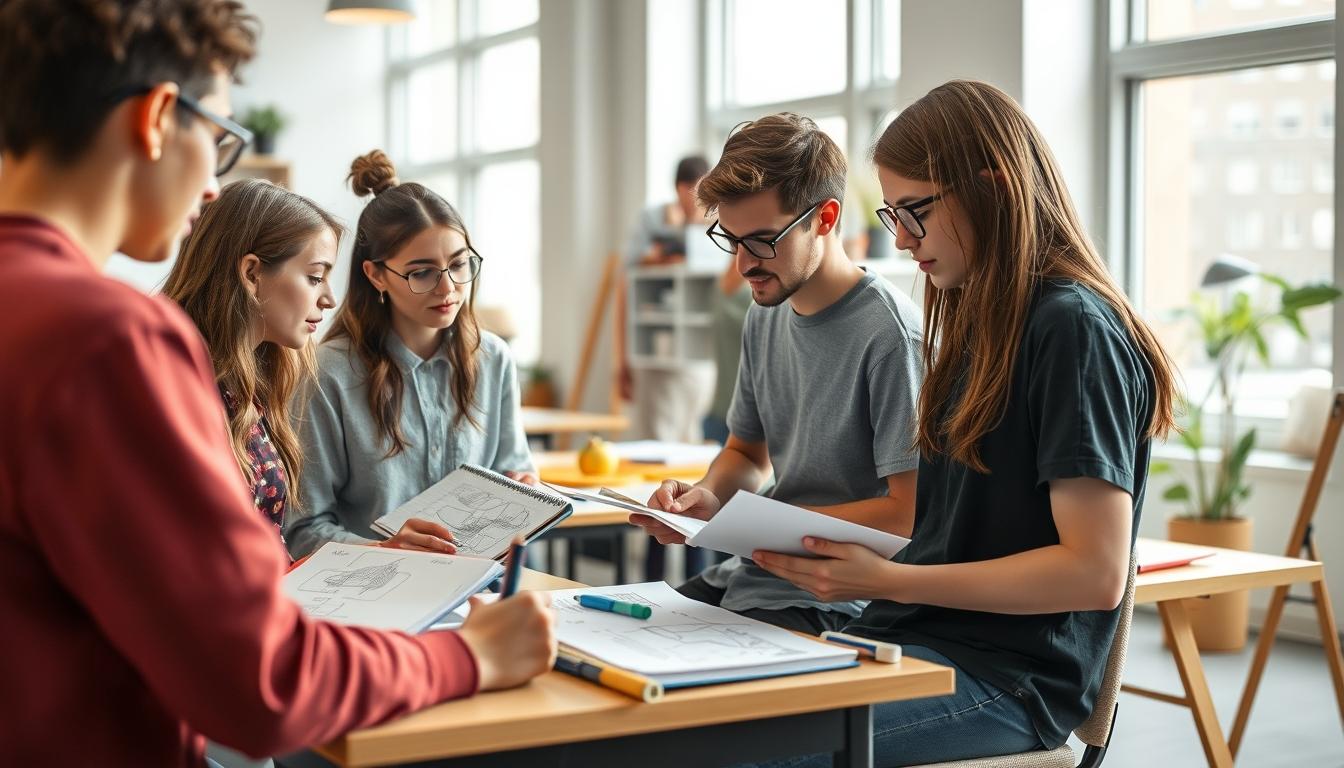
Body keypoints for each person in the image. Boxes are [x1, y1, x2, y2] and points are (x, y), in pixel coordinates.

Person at [0, 3, 554, 765]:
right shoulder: (110, 337)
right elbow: (260, 681)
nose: (211, 189)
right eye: (220, 138)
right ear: (161, 117)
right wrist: (475, 658)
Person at [748, 81, 1178, 766]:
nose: (901, 238)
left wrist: (888, 580)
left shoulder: (1073, 328)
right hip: (913, 639)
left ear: (992, 187)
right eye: (892, 214)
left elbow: (1094, 572)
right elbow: (955, 534)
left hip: (1002, 679)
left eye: (915, 211)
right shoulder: (983, 318)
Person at [629, 113, 925, 635]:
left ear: (826, 218)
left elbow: (907, 513)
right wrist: (709, 498)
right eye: (731, 238)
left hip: (837, 599)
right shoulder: (764, 313)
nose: (743, 264)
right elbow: (746, 454)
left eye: (764, 240)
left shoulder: (890, 336)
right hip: (757, 573)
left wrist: (771, 527)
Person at [164, 178, 461, 556]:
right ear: (253, 274)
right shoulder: (179, 384)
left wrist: (383, 551)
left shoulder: (252, 385)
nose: (329, 298)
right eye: (315, 277)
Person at [286, 150, 536, 559]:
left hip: (479, 587)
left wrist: (525, 494)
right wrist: (386, 550)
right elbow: (302, 529)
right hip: (372, 596)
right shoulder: (329, 373)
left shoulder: (494, 358)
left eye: (459, 265)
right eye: (421, 272)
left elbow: (517, 475)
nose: (448, 288)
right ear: (376, 274)